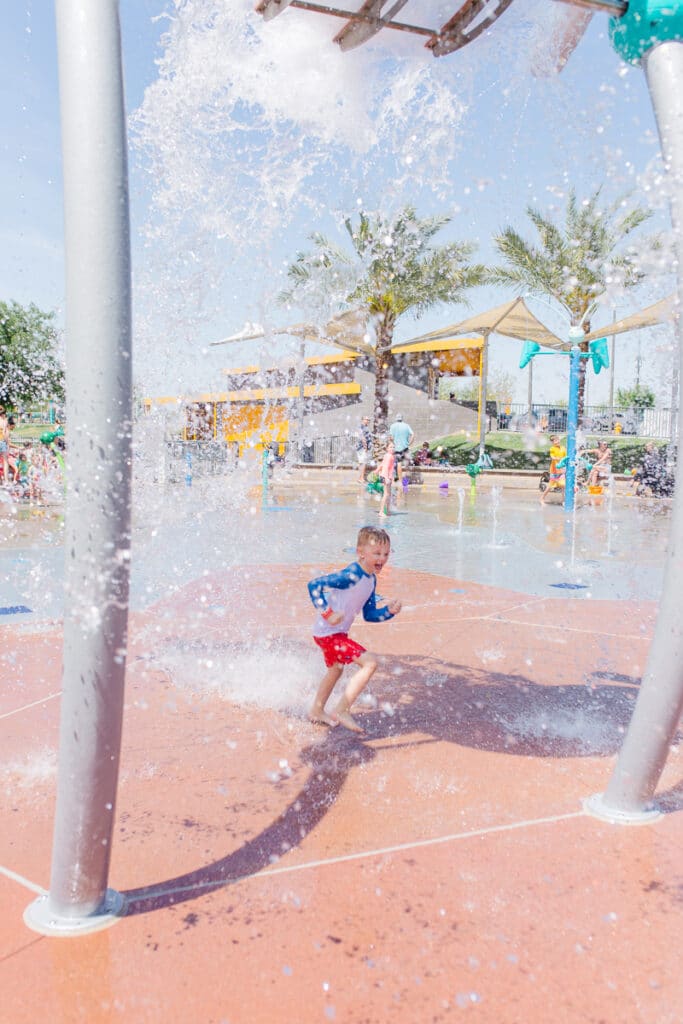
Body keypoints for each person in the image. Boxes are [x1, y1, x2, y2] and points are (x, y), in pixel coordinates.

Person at [307, 525, 402, 733]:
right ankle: (342, 709)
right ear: (360, 552)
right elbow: (314, 585)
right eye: (376, 553)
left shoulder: (371, 579)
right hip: (328, 634)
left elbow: (370, 615)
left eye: (386, 554)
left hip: (336, 634)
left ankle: (316, 710)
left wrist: (389, 611)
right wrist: (328, 614)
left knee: (336, 670)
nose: (382, 558)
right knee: (370, 663)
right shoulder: (352, 574)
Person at [540, 435, 567, 504]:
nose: (557, 441)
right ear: (552, 442)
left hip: (561, 470)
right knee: (550, 486)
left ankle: (564, 500)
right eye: (555, 440)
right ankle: (542, 498)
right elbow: (552, 457)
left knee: (563, 485)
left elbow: (566, 457)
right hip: (554, 471)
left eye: (558, 439)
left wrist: (565, 466)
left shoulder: (563, 448)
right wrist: (558, 459)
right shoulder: (552, 448)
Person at [389, 413, 414, 483]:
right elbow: (413, 434)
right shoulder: (406, 425)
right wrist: (410, 443)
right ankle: (406, 479)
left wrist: (393, 442)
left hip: (397, 448)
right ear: (402, 418)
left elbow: (391, 437)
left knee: (398, 464)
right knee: (407, 464)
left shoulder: (393, 426)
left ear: (396, 418)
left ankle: (399, 480)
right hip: (405, 448)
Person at [378, 438, 395, 517]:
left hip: (386, 476)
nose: (392, 449)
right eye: (390, 447)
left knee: (389, 494)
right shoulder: (389, 456)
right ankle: (381, 511)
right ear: (387, 448)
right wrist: (387, 477)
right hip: (386, 477)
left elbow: (381, 465)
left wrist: (377, 471)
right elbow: (386, 467)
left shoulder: (387, 455)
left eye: (393, 447)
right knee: (386, 494)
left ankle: (387, 510)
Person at [355, 415, 372, 483]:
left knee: (361, 463)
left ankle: (360, 478)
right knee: (363, 463)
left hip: (362, 447)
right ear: (363, 420)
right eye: (366, 419)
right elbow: (362, 437)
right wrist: (365, 446)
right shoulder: (361, 426)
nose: (368, 421)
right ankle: (361, 478)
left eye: (369, 420)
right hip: (362, 447)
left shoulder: (365, 427)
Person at [0, 406, 10, 485]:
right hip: (2, 441)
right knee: (5, 461)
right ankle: (6, 480)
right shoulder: (4, 421)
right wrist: (7, 442)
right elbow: (4, 433)